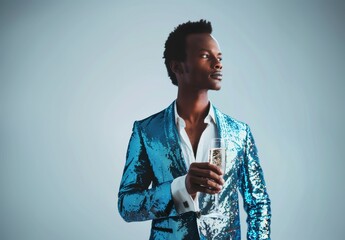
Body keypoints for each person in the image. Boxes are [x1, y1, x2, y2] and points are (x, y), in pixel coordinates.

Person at [118, 19, 271, 240]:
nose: (218, 64)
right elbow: (127, 205)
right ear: (177, 66)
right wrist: (182, 187)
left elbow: (259, 203)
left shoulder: (239, 133)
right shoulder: (146, 132)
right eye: (205, 56)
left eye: (219, 58)